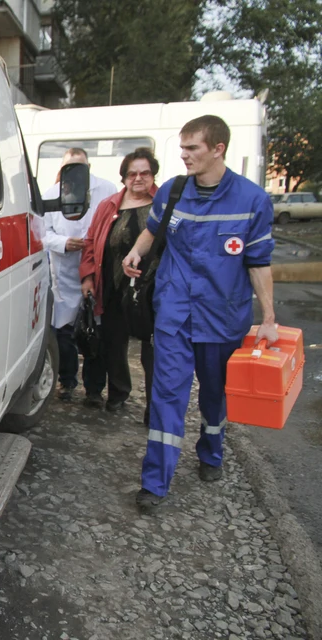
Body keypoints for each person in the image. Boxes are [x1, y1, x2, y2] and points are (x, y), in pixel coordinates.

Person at [121, 116, 277, 513]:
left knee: (214, 393)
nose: (184, 155)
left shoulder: (252, 200)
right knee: (166, 396)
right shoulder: (172, 191)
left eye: (192, 148)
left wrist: (269, 319)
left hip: (222, 318)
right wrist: (136, 250)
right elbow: (153, 230)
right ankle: (155, 483)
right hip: (174, 314)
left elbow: (259, 264)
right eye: (183, 147)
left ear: (218, 149)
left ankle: (211, 450)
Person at [80, 148, 159, 421]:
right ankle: (118, 394)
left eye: (145, 173)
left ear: (153, 175)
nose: (138, 178)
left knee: (153, 351)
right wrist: (88, 277)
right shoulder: (109, 205)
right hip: (114, 287)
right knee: (114, 344)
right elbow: (91, 243)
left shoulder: (163, 204)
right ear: (124, 177)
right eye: (132, 173)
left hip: (153, 289)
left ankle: (155, 407)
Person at [42, 148, 118, 403]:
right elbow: (42, 233)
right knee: (64, 333)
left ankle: (94, 390)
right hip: (65, 272)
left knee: (94, 332)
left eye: (79, 166)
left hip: (96, 271)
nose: (73, 172)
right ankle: (67, 381)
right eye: (68, 167)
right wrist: (63, 242)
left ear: (89, 167)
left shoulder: (107, 190)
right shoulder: (51, 194)